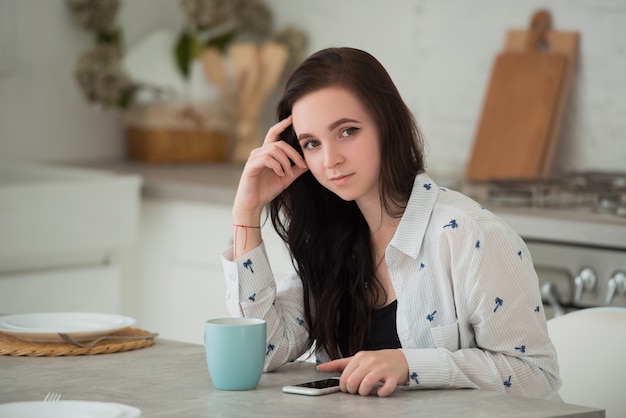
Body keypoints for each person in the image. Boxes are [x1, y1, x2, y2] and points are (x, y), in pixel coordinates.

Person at [221, 47, 561, 399]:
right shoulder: (328, 239)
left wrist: (409, 365)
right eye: (311, 143)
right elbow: (266, 350)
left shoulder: (471, 235)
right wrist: (246, 212)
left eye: (348, 131)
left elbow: (536, 377)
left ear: (387, 124)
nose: (330, 160)